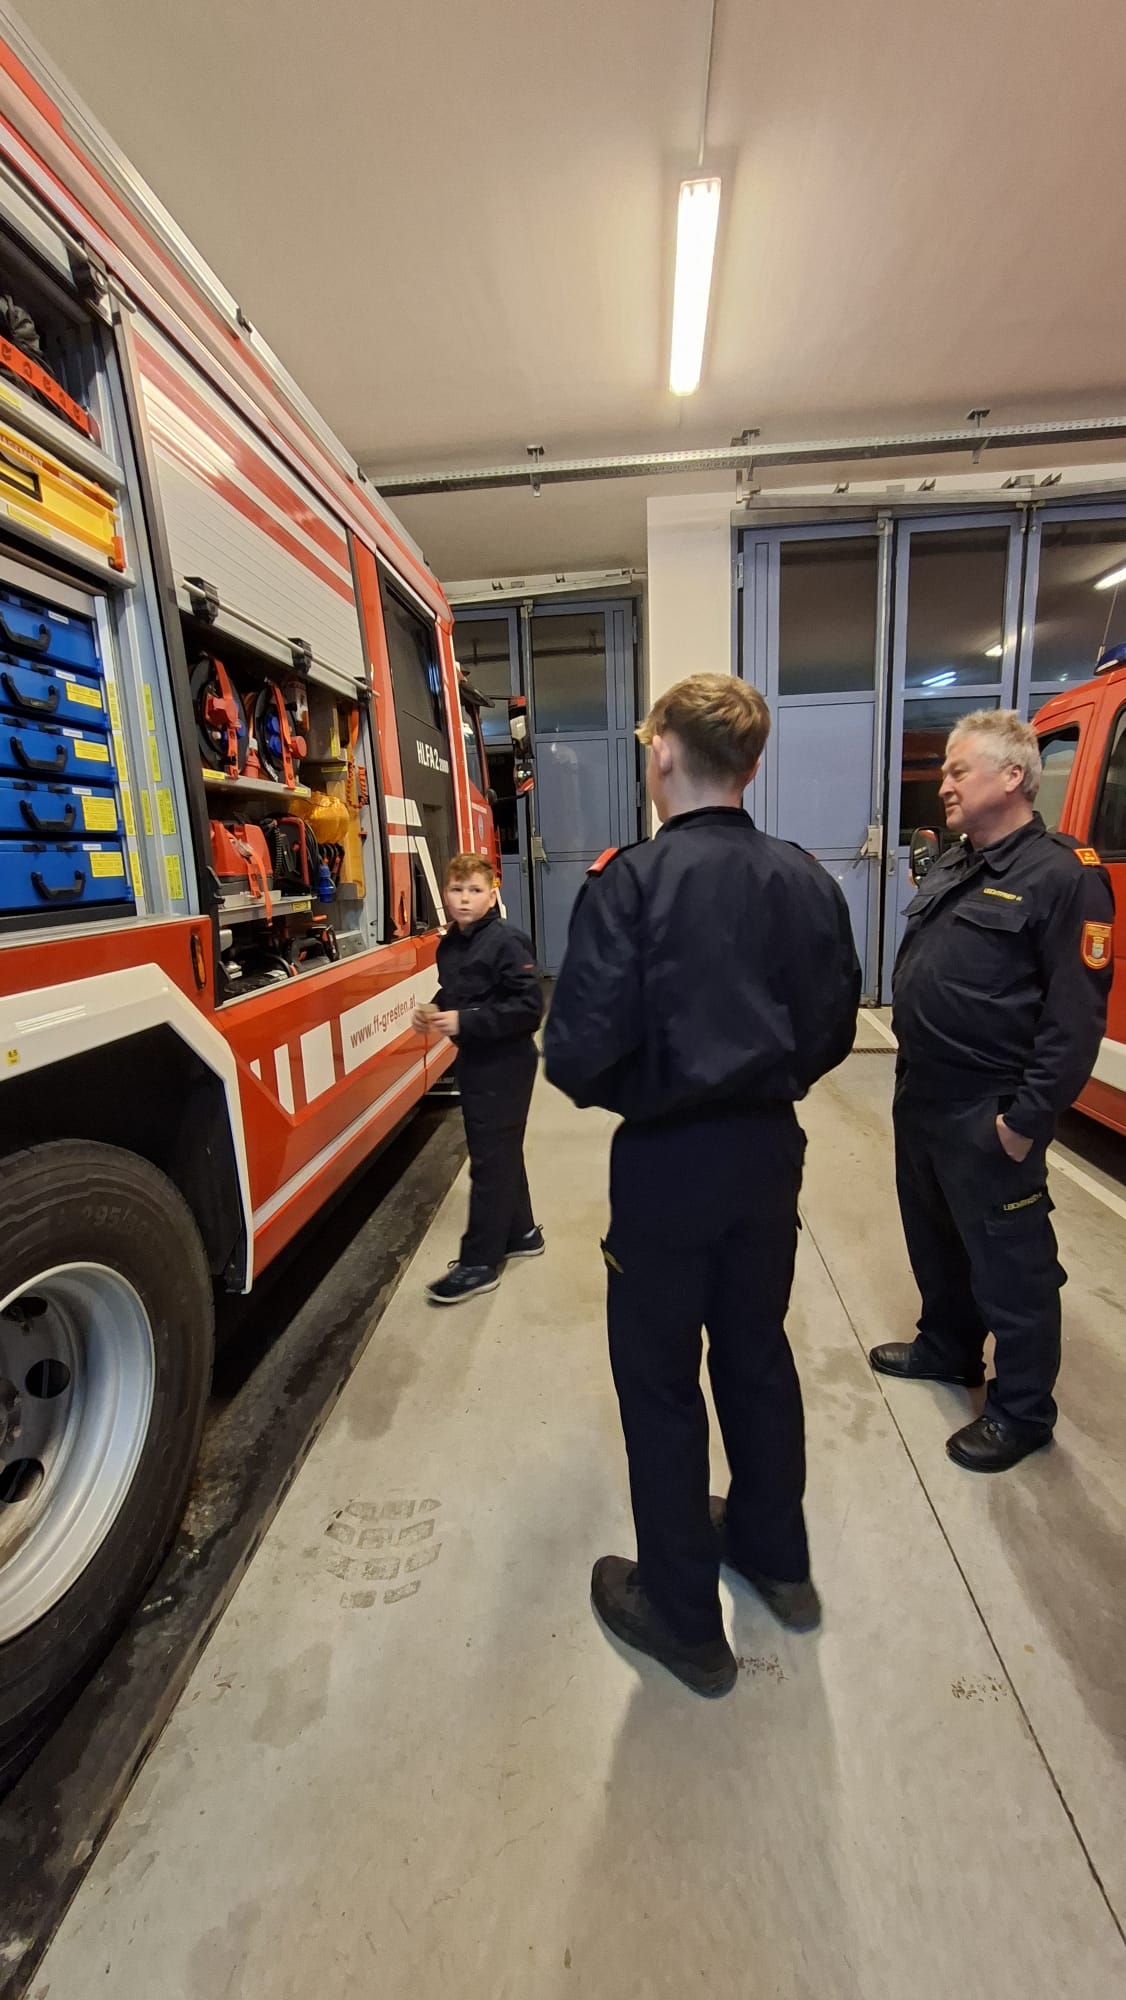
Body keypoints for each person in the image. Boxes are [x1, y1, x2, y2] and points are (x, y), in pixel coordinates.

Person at [544, 674, 861, 1698]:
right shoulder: (804, 878)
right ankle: (776, 1553)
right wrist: (754, 1081)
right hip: (769, 1153)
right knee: (757, 1352)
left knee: (660, 1380)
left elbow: (578, 1053)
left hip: (668, 1164)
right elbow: (830, 1028)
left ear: (663, 753)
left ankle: (683, 1615)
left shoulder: (628, 881)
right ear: (752, 765)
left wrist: (667, 1086)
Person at [870, 710, 1114, 1472]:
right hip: (925, 1095)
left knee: (1013, 1268)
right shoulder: (956, 863)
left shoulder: (1063, 876)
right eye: (944, 771)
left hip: (990, 1107)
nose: (941, 784)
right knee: (936, 1239)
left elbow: (1074, 1021)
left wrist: (1025, 1122)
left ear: (1013, 777)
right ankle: (948, 1348)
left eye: (956, 771)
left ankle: (1023, 1411)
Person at [413, 853, 544, 1304]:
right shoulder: (451, 944)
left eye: (474, 890)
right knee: (501, 1151)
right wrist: (434, 1007)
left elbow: (528, 1010)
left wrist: (465, 1022)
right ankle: (522, 1232)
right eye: (456, 890)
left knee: (489, 1161)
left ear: (492, 894)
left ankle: (479, 1263)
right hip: (476, 1061)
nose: (464, 899)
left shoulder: (507, 942)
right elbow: (457, 990)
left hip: (505, 1065)